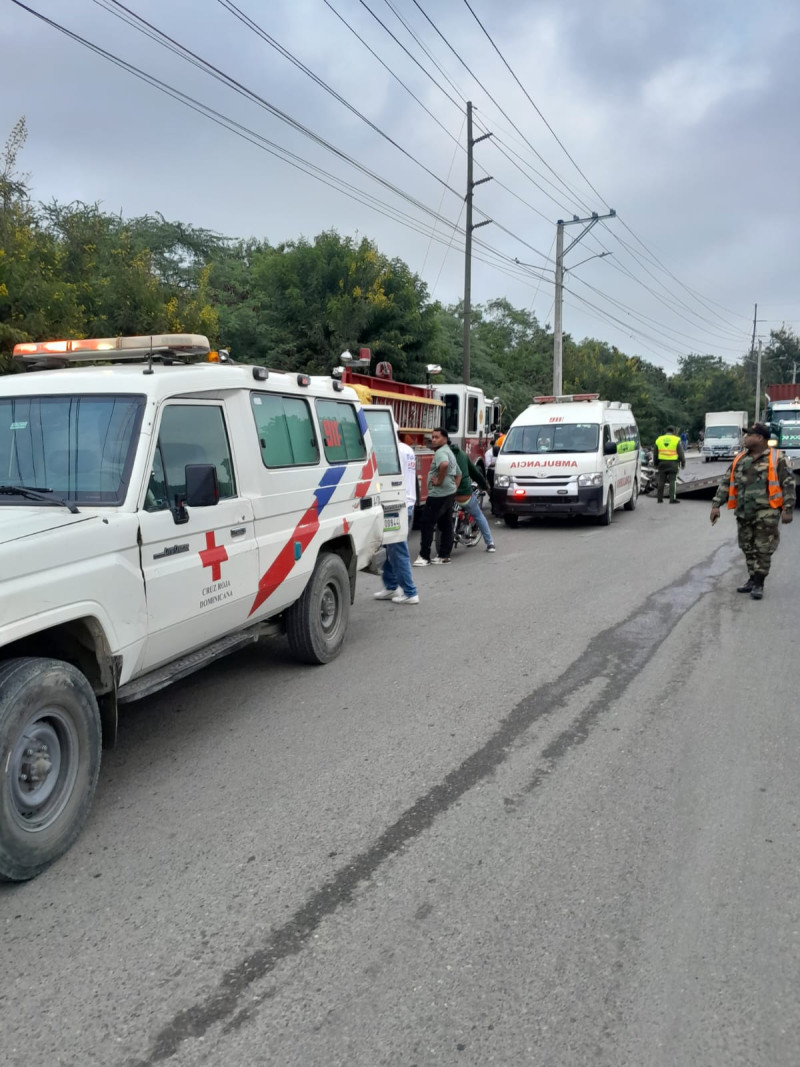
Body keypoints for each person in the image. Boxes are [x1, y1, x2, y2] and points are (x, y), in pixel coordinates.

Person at [710, 422, 794, 600]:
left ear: (760, 438)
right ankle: (751, 578)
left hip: (767, 512)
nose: (745, 438)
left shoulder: (776, 458)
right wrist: (716, 505)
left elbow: (788, 484)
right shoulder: (740, 458)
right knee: (747, 547)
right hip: (743, 512)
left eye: (749, 435)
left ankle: (759, 583)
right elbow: (726, 482)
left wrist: (788, 509)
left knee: (763, 549)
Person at [374, 435, 420, 604]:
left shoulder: (393, 450)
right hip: (406, 503)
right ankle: (391, 586)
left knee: (397, 549)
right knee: (390, 547)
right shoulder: (407, 449)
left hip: (396, 504)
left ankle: (410, 592)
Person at [413, 427, 460, 566]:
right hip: (448, 494)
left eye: (436, 437)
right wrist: (453, 487)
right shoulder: (449, 452)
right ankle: (444, 556)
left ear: (445, 438)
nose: (433, 440)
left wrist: (439, 481)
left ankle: (424, 556)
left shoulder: (441, 452)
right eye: (432, 437)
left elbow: (444, 465)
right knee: (446, 524)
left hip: (438, 495)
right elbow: (459, 473)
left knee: (427, 523)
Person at [450, 442, 496, 552]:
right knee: (478, 515)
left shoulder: (440, 455)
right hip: (464, 493)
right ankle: (490, 543)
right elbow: (475, 473)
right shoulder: (462, 455)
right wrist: (485, 486)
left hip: (448, 494)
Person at [653, 425, 686, 503]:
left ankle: (659, 499)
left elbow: (655, 453)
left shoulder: (659, 439)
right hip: (673, 464)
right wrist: (683, 462)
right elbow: (681, 453)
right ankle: (672, 499)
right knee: (672, 481)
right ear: (674, 431)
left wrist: (655, 463)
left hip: (662, 463)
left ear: (666, 431)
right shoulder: (676, 440)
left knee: (661, 481)